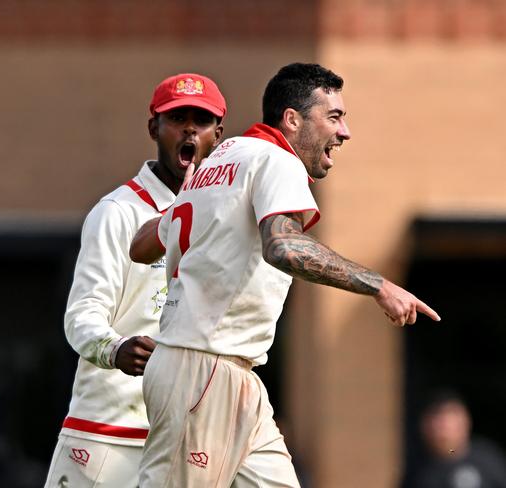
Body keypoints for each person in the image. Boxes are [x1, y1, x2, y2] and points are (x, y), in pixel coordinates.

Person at [130, 62, 441, 487]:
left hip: (231, 375)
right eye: (334, 117)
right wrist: (379, 285)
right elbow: (283, 247)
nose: (344, 131)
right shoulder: (277, 160)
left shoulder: (218, 160)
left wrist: (197, 206)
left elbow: (140, 245)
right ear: (292, 120)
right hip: (202, 370)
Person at [43, 73, 226, 487]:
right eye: (178, 118)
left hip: (185, 441)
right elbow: (82, 316)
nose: (190, 129)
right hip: (104, 436)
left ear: (218, 132)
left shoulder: (223, 217)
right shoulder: (117, 212)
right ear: (154, 129)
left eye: (202, 119)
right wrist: (116, 348)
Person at [402, 390, 506, 488]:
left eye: (450, 420)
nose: (444, 428)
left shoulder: (488, 460)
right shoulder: (417, 471)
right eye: (439, 422)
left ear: (466, 421)